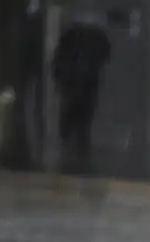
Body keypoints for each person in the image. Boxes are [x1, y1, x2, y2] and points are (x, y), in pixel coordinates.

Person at [51, 16, 111, 173]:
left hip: (72, 82)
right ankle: (79, 153)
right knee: (83, 121)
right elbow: (105, 56)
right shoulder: (96, 38)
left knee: (70, 117)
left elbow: (58, 61)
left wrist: (60, 79)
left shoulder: (70, 37)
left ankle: (70, 152)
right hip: (87, 83)